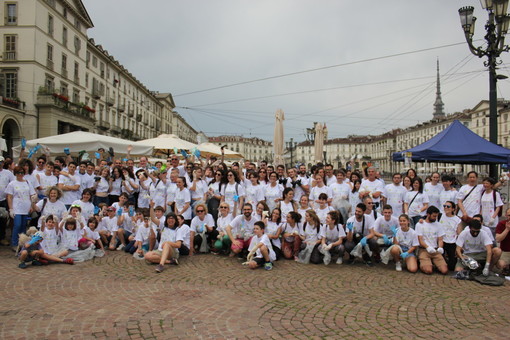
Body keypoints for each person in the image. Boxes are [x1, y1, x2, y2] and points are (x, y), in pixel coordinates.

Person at [6, 166, 37, 249]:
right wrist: (11, 209)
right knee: (17, 225)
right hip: (16, 207)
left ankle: (22, 243)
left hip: (26, 207)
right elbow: (9, 197)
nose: (20, 174)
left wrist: (31, 205)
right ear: (15, 174)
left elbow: (32, 195)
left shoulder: (27, 182)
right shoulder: (12, 184)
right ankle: (14, 243)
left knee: (23, 225)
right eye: (18, 173)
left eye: (22, 173)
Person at [415, 206, 448, 275]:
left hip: (435, 250)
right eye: (433, 216)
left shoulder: (438, 225)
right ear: (428, 214)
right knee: (428, 270)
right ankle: (424, 263)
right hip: (424, 250)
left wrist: (440, 247)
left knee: (444, 270)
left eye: (436, 216)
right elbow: (420, 240)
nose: (435, 218)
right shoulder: (420, 225)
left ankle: (435, 264)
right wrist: (427, 247)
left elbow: (440, 239)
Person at [438, 201, 462, 271]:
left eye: (448, 206)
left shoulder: (457, 220)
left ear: (453, 209)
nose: (446, 208)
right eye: (444, 206)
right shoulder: (440, 216)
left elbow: (459, 233)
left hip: (452, 242)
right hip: (441, 241)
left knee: (451, 266)